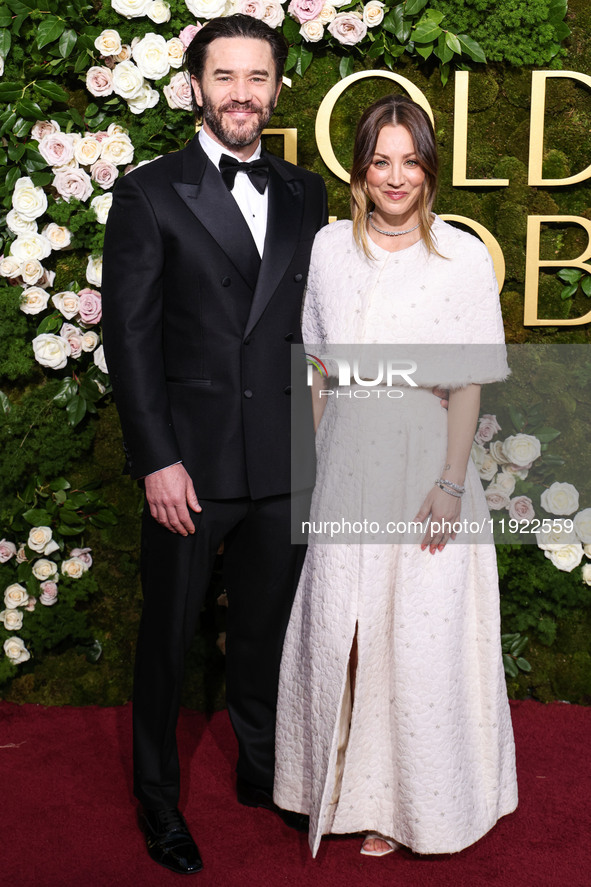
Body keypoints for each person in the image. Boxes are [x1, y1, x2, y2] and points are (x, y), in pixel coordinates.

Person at [101, 15, 327, 875]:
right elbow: (130, 338)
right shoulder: (149, 193)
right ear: (195, 86)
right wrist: (156, 458)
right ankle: (158, 802)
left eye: (257, 77)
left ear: (277, 88)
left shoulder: (305, 192)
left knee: (265, 629)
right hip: (189, 465)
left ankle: (259, 766)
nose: (242, 92)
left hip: (283, 455)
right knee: (168, 636)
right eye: (224, 76)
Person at [273, 94, 518, 859]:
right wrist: (303, 476)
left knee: (413, 640)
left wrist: (449, 483)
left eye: (409, 160)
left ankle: (403, 805)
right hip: (347, 460)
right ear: (359, 168)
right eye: (380, 160)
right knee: (338, 630)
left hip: (422, 464)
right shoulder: (326, 249)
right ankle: (335, 782)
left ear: (429, 166)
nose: (395, 175)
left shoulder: (461, 256)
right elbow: (316, 369)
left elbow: (470, 379)